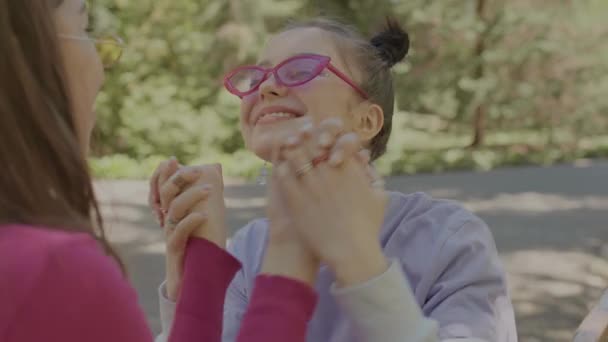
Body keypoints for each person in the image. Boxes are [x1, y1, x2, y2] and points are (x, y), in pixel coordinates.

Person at [152, 18, 518, 342]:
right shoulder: (249, 249)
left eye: (299, 70)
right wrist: (189, 283)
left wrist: (359, 262)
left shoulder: (449, 238)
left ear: (367, 122)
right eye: (258, 76)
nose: (266, 88)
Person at [0, 1, 328, 341]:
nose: (102, 62)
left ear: (370, 119)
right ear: (30, 54)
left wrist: (200, 267)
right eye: (85, 29)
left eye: (302, 71)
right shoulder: (50, 269)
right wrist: (288, 258)